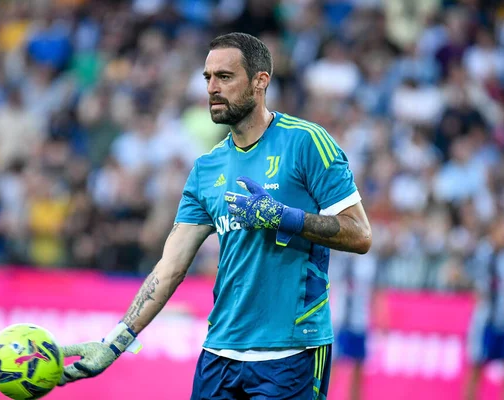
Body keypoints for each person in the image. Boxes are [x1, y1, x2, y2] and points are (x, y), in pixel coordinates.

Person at [58, 32, 372, 400]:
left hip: (291, 354)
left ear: (260, 82)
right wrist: (115, 342)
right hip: (219, 354)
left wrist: (284, 217)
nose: (212, 88)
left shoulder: (306, 142)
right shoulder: (207, 169)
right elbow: (169, 267)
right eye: (207, 77)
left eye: (224, 77)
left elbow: (360, 234)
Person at [464, 217, 504, 400]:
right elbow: (469, 276)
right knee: (477, 369)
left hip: (502, 322)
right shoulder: (483, 254)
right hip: (485, 322)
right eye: (502, 233)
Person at [330, 251, 377, 400]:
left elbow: (375, 289)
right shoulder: (340, 260)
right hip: (339, 321)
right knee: (332, 367)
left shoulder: (368, 262)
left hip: (359, 321)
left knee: (358, 369)